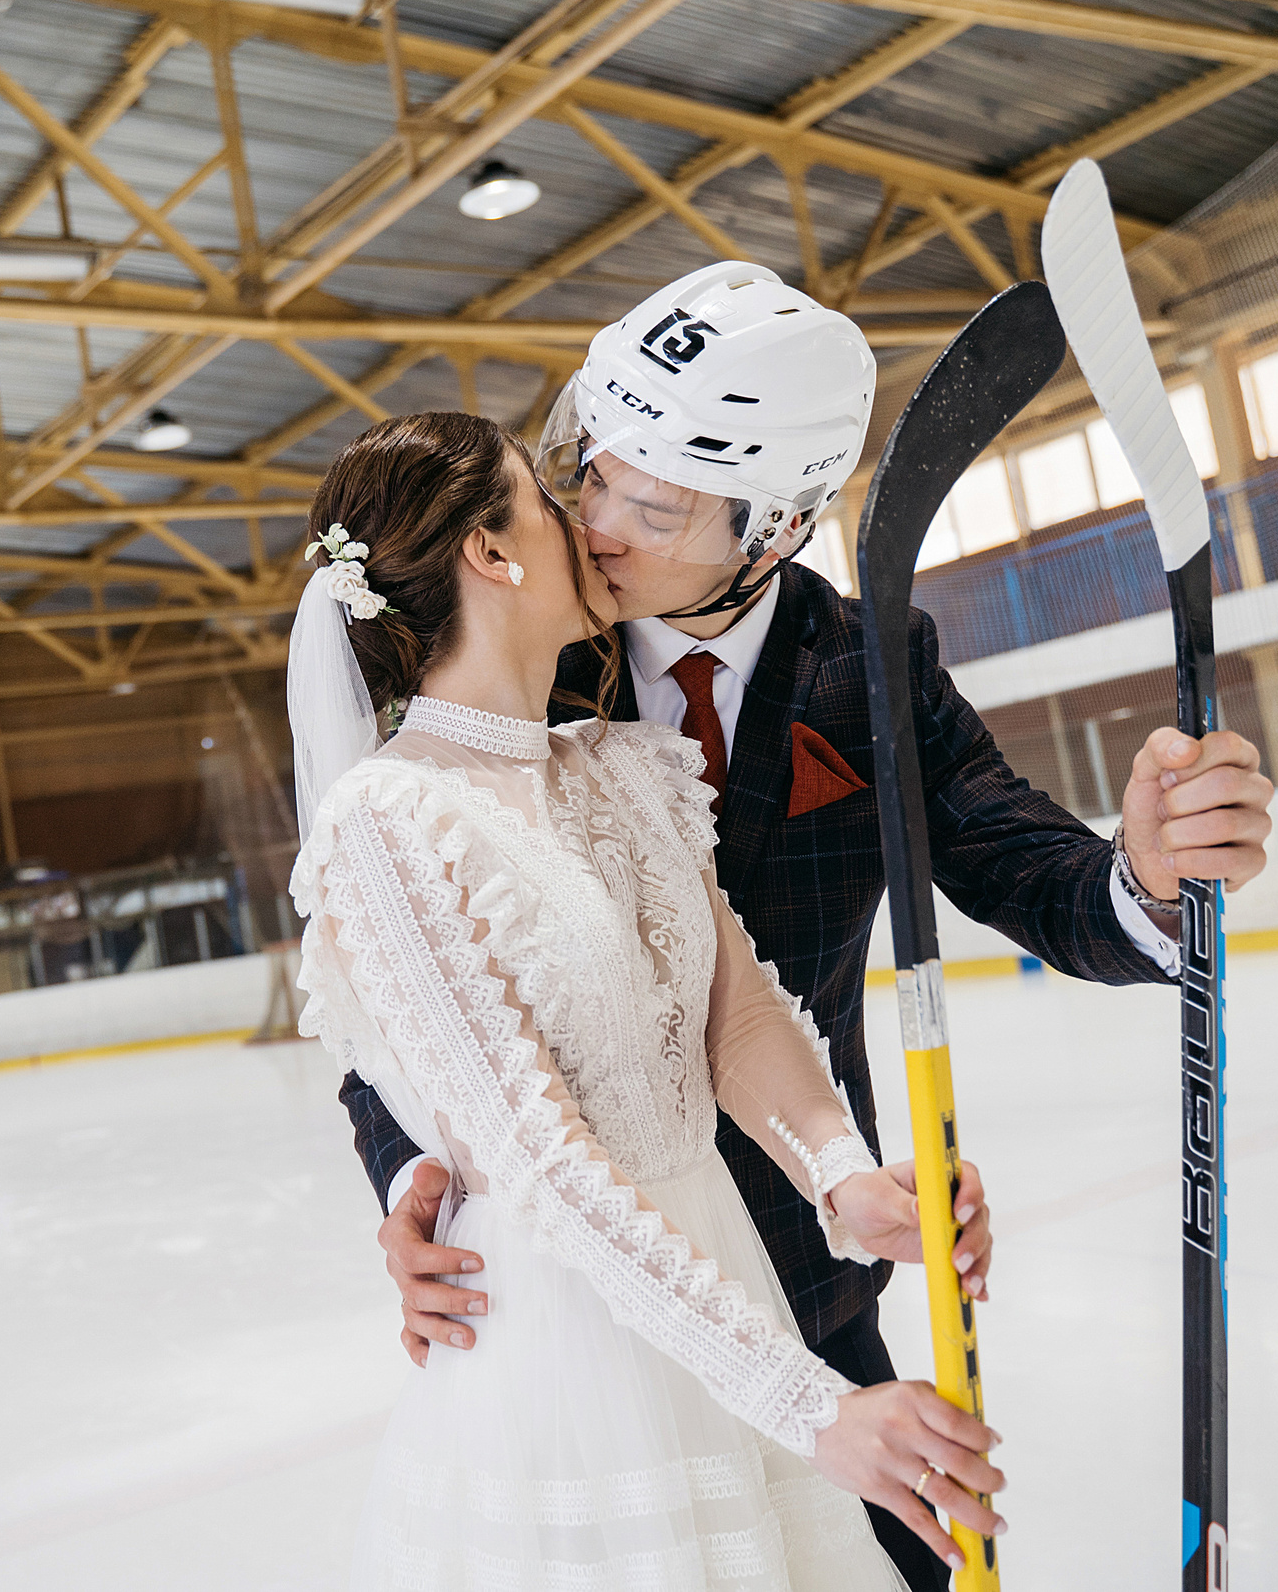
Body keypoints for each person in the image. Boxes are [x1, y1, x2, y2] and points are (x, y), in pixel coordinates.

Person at [342, 263, 1276, 1590]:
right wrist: (408, 1177)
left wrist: (1155, 868)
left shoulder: (868, 665)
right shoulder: (510, 656)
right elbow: (399, 1011)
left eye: (653, 503)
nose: (594, 520)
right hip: (585, 1323)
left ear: (771, 530)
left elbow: (1040, 880)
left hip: (819, 1277)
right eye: (590, 469)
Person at [289, 412, 984, 1589]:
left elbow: (740, 1018)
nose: (591, 524)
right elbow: (538, 1163)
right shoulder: (389, 822)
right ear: (493, 556)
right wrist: (809, 1405)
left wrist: (842, 1174)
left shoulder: (622, 766)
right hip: (570, 1343)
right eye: (551, 500)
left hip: (718, 1272)